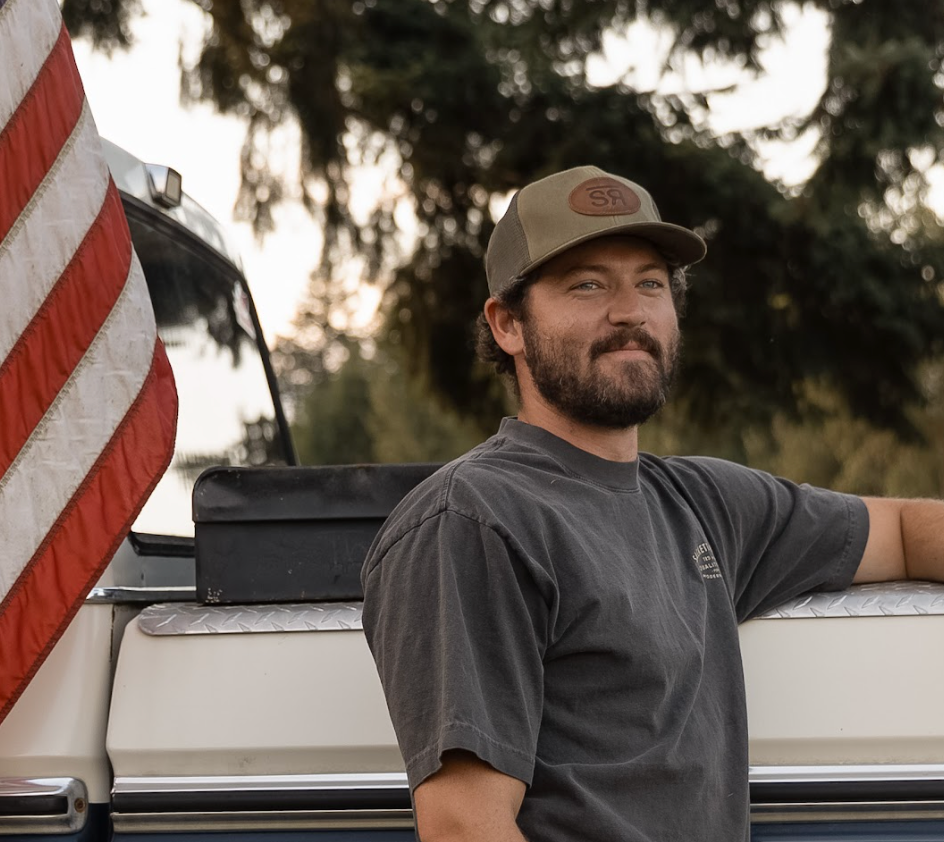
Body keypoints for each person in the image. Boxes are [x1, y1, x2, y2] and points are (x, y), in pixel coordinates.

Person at [360, 165, 944, 842]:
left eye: (651, 283)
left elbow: (903, 532)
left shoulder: (704, 505)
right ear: (508, 324)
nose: (631, 312)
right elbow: (465, 827)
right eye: (587, 284)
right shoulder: (475, 520)